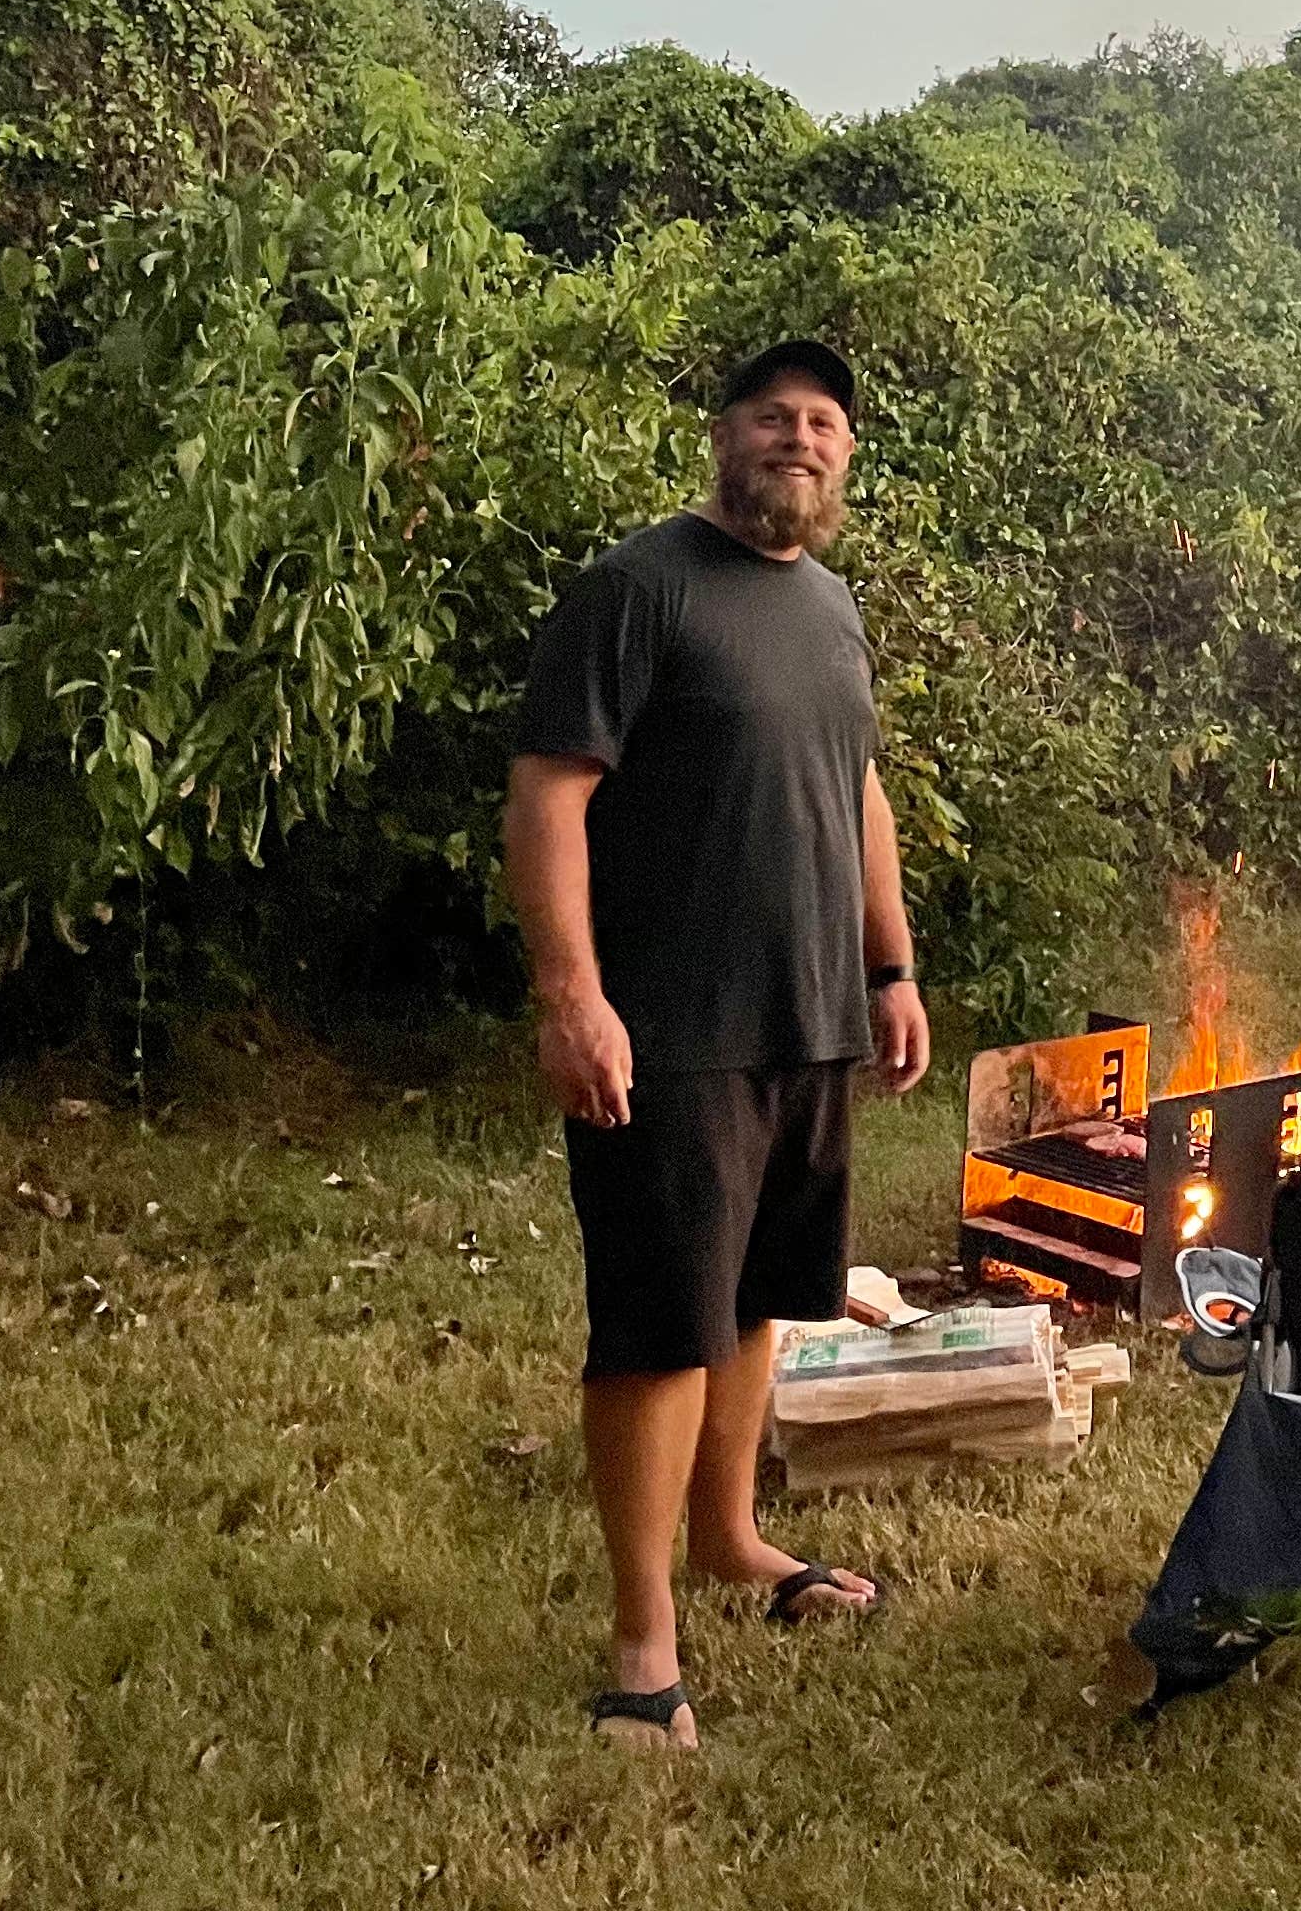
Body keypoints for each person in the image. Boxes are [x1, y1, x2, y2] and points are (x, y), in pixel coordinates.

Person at [503, 337, 932, 1751]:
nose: (797, 439)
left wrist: (889, 965)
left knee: (758, 1299)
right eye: (771, 416)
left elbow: (854, 786)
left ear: (845, 457)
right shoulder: (638, 590)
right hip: (672, 1028)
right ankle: (642, 1645)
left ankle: (730, 1538)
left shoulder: (830, 609)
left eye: (822, 424)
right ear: (723, 436)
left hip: (805, 1020)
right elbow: (550, 797)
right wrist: (574, 998)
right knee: (658, 1324)